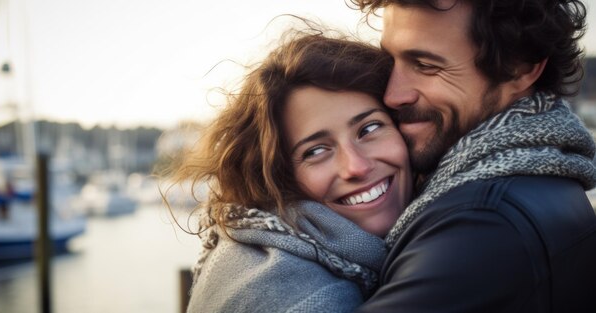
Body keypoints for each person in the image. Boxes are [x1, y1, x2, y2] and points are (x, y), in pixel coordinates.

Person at [348, 0, 596, 312]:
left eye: (426, 66)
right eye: (390, 61)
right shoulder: (545, 179)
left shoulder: (483, 225)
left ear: (520, 67)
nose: (393, 95)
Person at [165, 28, 412, 312]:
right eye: (316, 151)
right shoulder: (287, 291)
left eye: (369, 129)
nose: (356, 166)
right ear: (278, 177)